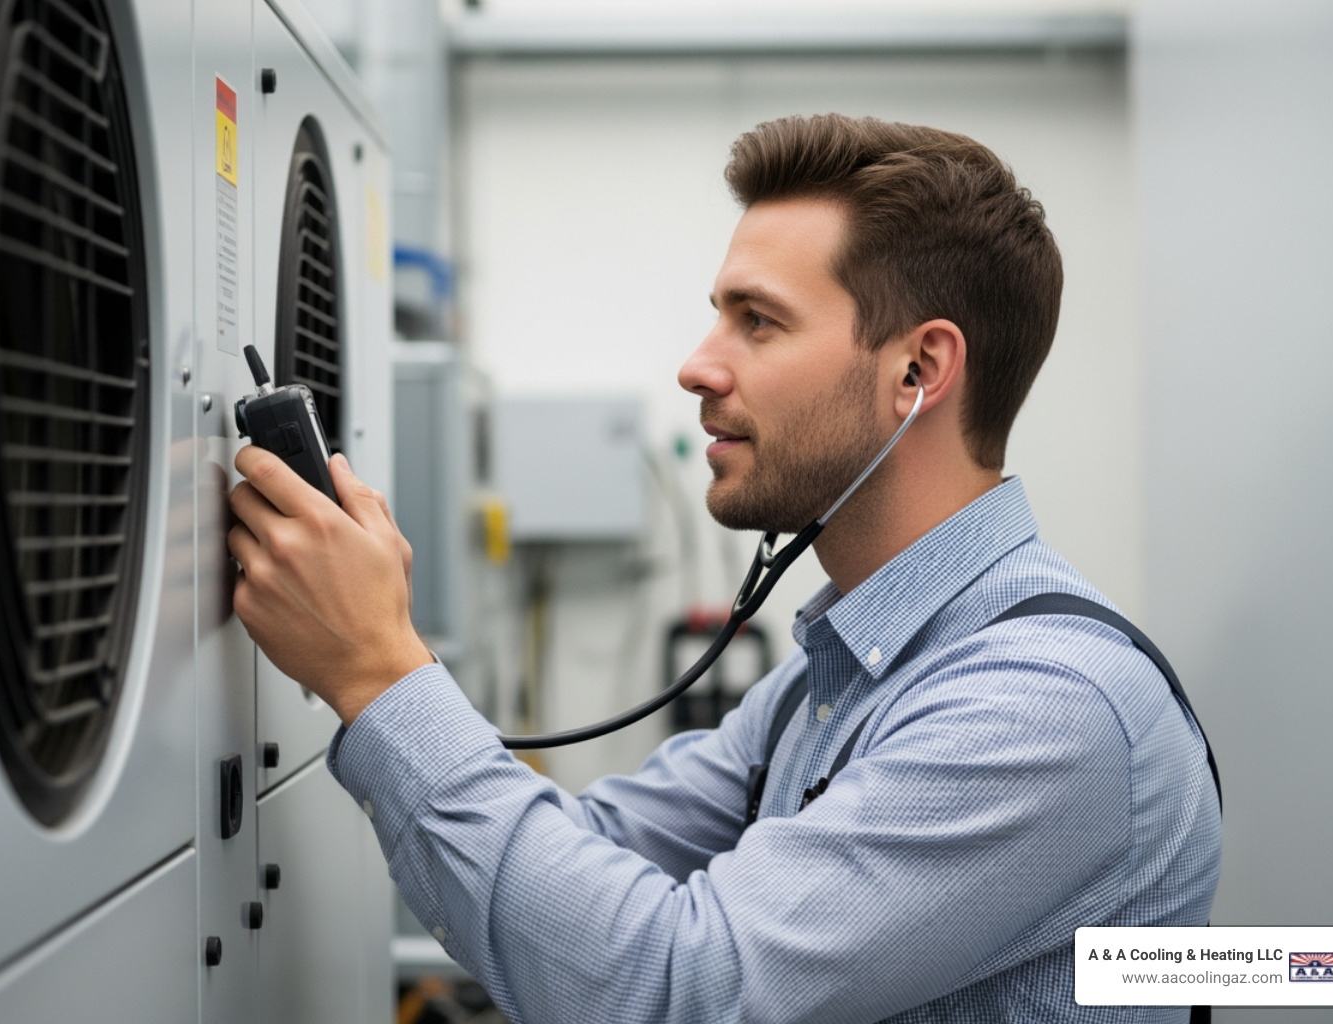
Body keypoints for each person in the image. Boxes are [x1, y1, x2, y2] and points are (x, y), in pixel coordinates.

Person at [227, 114, 1222, 1023]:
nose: (699, 366)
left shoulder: (1045, 709)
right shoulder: (832, 678)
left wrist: (381, 673)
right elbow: (590, 862)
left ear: (917, 372)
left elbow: (677, 987)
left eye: (758, 320)